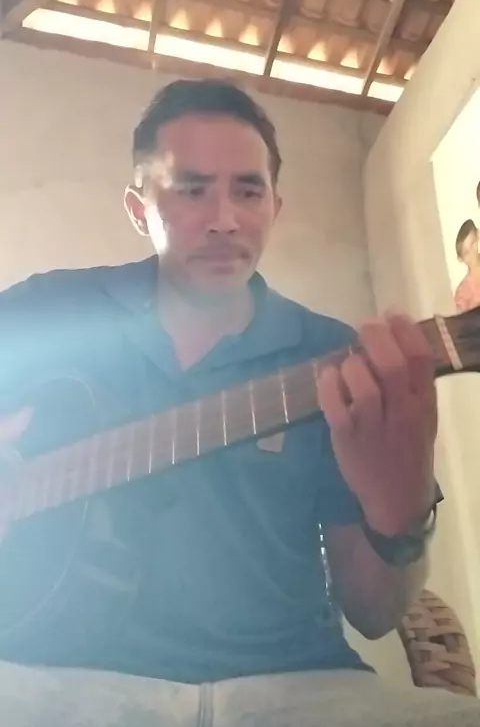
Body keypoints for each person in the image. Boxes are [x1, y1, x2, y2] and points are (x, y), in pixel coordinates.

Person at [0, 79, 478, 727]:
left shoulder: (331, 355)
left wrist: (401, 511)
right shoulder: (47, 311)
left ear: (275, 206)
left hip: (294, 685)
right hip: (56, 682)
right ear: (139, 208)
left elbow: (375, 613)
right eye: (191, 189)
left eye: (248, 191)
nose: (224, 218)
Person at [454, 219, 480, 312]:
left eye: (473, 244)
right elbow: (464, 320)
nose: (472, 254)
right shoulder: (463, 293)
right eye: (466, 253)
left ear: (478, 235)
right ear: (460, 259)